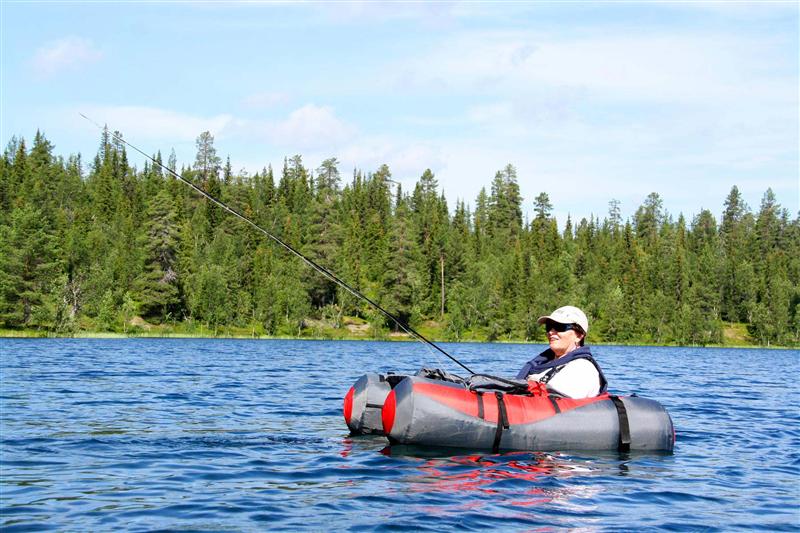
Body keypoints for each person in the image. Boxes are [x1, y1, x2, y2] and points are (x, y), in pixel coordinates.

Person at [516, 305, 607, 399]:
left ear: (579, 336)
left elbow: (557, 405)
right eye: (549, 327)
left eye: (559, 327)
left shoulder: (582, 368)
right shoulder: (540, 363)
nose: (551, 332)